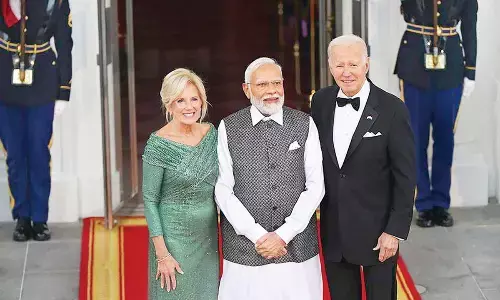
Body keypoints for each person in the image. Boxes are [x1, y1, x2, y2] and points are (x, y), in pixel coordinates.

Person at [311, 34, 416, 300]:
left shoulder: (392, 108)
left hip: (378, 232)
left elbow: (405, 176)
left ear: (366, 64)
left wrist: (394, 231)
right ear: (330, 66)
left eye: (353, 65)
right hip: (335, 231)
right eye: (339, 65)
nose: (346, 73)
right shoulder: (321, 102)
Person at [215, 57, 325, 300]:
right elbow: (223, 189)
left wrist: (284, 234)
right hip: (245, 249)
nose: (272, 91)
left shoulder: (305, 124)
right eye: (262, 84)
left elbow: (316, 186)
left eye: (277, 83)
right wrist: (257, 235)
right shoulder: (228, 127)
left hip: (297, 247)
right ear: (247, 89)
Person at [394, 0, 478, 227]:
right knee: (416, 138)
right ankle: (423, 204)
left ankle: (441, 203)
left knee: (445, 139)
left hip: (450, 65)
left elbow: (470, 24)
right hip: (414, 65)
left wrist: (471, 68)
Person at [142, 68, 219, 299]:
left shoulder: (211, 133)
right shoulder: (158, 144)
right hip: (173, 242)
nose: (189, 107)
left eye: (194, 99)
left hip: (206, 239)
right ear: (169, 105)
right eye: (180, 100)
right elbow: (150, 200)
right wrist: (162, 254)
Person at [0, 0, 73, 241]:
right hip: (5, 84)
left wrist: (63, 91)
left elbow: (63, 43)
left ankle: (39, 218)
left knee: (39, 154)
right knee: (15, 156)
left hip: (42, 83)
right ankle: (22, 217)